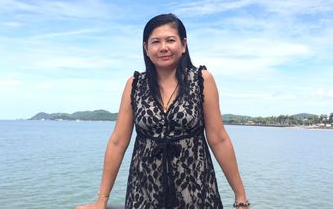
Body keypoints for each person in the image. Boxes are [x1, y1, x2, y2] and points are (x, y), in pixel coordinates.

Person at [75, 13, 249, 209]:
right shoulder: (134, 85)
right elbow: (118, 142)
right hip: (145, 191)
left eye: (170, 40)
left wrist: (240, 196)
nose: (163, 47)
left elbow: (219, 139)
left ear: (183, 45)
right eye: (155, 41)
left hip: (196, 189)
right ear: (146, 48)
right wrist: (102, 200)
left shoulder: (201, 80)